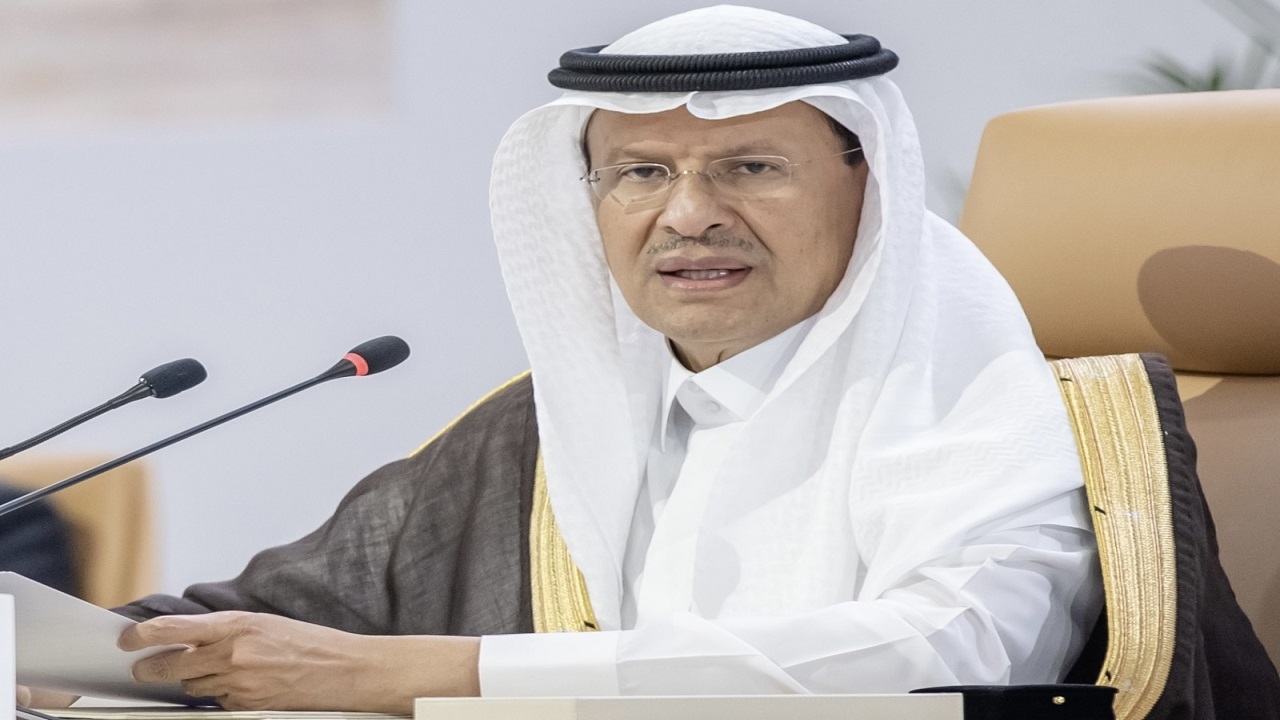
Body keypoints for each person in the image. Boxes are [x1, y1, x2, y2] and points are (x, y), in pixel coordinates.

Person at [26, 5, 1269, 717]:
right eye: (638, 173)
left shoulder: (1007, 410)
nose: (686, 216)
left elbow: (949, 654)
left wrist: (431, 676)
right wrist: (59, 664)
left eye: (749, 168)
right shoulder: (541, 429)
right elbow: (287, 621)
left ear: (869, 187)